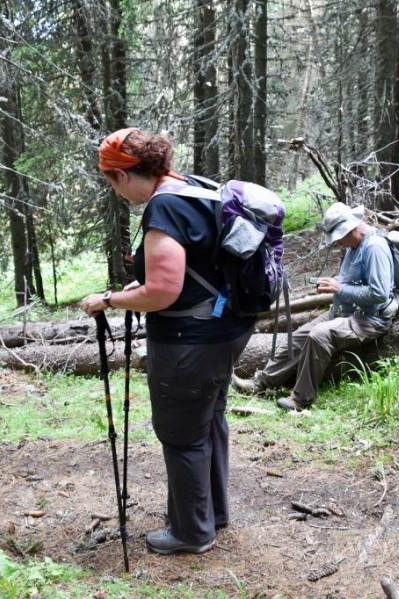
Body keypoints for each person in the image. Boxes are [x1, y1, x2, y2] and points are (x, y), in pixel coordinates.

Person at [80, 128, 255, 555]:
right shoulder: (195, 188)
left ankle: (191, 532)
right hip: (227, 329)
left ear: (121, 175)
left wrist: (108, 299)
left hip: (189, 341)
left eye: (111, 183)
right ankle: (211, 512)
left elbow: (162, 291)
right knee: (208, 419)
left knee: (181, 435)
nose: (116, 193)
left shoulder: (164, 208)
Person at [232, 202, 394, 411]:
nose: (339, 244)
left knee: (319, 335)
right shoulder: (355, 246)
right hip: (344, 313)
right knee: (299, 336)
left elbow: (379, 293)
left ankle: (301, 400)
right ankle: (262, 383)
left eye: (339, 238)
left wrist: (340, 289)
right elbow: (350, 281)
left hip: (369, 319)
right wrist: (332, 283)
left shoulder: (374, 247)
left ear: (352, 228)